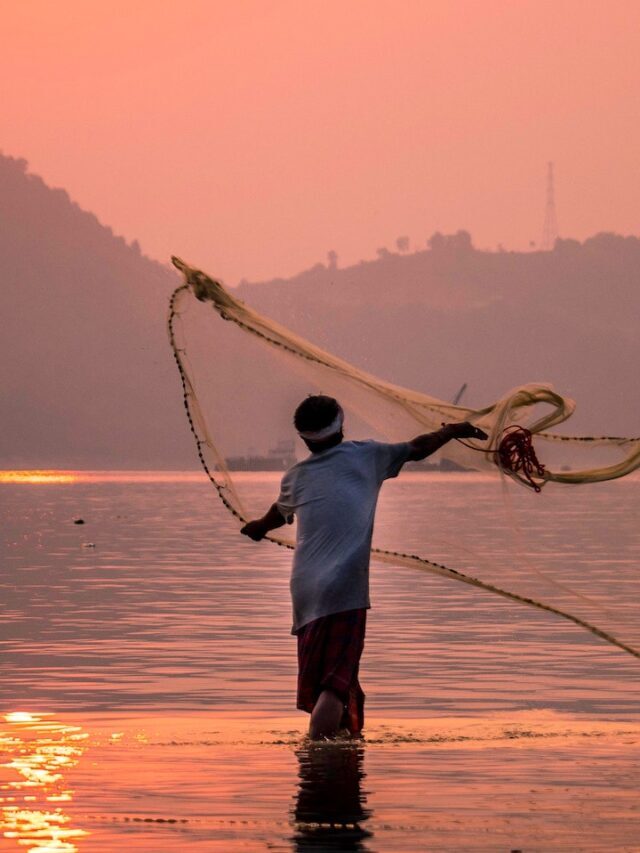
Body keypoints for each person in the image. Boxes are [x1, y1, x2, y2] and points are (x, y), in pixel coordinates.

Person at [241, 395, 487, 739]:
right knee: (334, 685)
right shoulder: (366, 456)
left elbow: (275, 516)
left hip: (304, 591)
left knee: (336, 680)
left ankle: (346, 752)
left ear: (303, 438)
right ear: (342, 425)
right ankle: (318, 754)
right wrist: (452, 431)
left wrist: (257, 527)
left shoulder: (295, 476)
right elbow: (419, 447)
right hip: (343, 589)